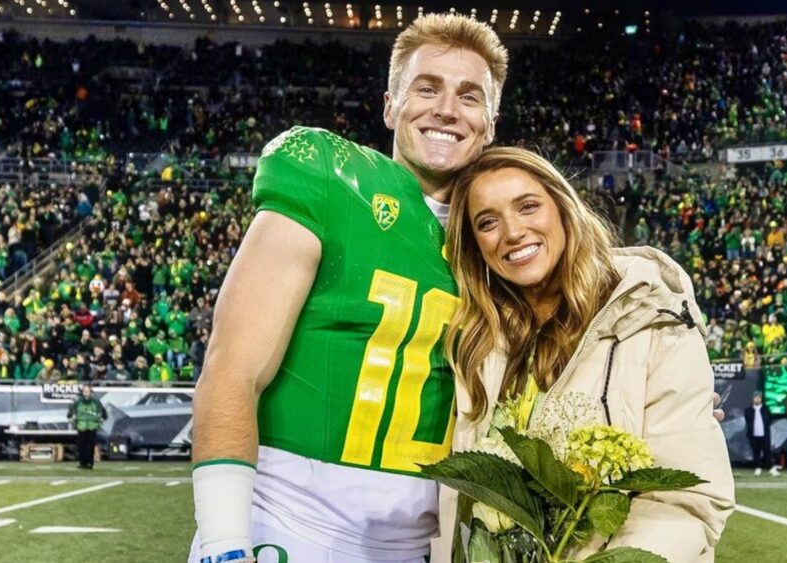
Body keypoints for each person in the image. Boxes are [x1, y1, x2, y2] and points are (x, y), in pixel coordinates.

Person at [190, 14, 509, 563]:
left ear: (491, 122)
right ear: (390, 105)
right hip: (287, 519)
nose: (446, 110)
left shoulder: (498, 240)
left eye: (469, 97)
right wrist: (224, 541)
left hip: (419, 543)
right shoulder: (331, 175)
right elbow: (231, 366)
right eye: (426, 88)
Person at [437, 147, 734, 561]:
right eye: (488, 222)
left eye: (528, 207)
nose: (512, 232)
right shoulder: (476, 340)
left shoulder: (652, 318)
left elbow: (685, 502)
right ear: (475, 246)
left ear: (563, 207)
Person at [66, 384, 107, 469]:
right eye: (85, 391)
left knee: (90, 445)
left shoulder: (96, 402)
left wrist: (102, 418)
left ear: (91, 392)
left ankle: (90, 463)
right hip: (81, 426)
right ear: (82, 392)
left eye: (88, 391)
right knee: (81, 445)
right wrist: (70, 418)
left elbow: (103, 412)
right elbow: (70, 412)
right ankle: (82, 463)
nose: (86, 393)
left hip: (92, 426)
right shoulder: (78, 402)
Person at [745, 392, 778, 476]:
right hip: (754, 435)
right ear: (753, 399)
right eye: (755, 398)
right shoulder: (748, 410)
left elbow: (770, 418)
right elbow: (748, 422)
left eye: (759, 398)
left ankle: (771, 468)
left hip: (764, 435)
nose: (757, 399)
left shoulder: (765, 409)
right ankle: (758, 468)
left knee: (767, 451)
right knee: (756, 452)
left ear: (761, 399)